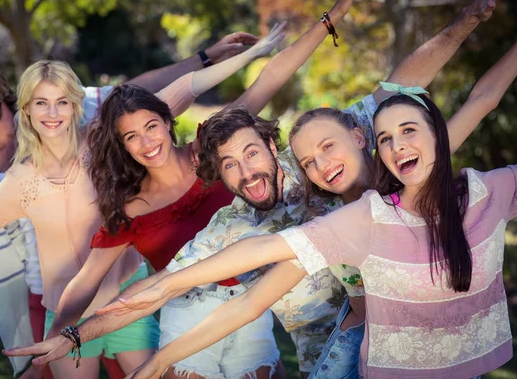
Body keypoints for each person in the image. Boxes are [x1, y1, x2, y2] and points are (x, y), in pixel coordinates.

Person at [3, 0, 501, 376]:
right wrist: (72, 337)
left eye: (250, 154)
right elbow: (156, 290)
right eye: (229, 166)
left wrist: (470, 19)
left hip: (412, 334)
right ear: (217, 173)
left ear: (271, 144)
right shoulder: (231, 224)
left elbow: (400, 85)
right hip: (337, 355)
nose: (245, 172)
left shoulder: (319, 154)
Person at [115, 41, 517, 379]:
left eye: (328, 148)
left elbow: (474, 99)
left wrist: (469, 21)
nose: (322, 165)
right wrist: (114, 329)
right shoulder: (334, 218)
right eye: (309, 162)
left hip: (424, 345)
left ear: (359, 139)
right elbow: (244, 287)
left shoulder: (413, 184)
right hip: (354, 344)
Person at [0, 37, 279, 379]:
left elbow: (181, 90)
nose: (53, 113)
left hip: (124, 300)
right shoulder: (19, 181)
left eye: (61, 101)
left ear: (75, 103)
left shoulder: (100, 141)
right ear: (26, 110)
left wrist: (248, 55)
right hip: (65, 313)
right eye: (41, 103)